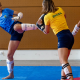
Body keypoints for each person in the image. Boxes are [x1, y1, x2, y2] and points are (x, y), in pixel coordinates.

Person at [36, 0, 74, 80]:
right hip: (69, 35)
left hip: (62, 37)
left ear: (45, 6)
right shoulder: (60, 9)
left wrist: (40, 26)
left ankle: (70, 78)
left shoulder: (47, 16)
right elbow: (64, 17)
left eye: (42, 6)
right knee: (65, 61)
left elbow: (46, 32)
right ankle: (63, 78)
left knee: (63, 61)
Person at [0, 2, 38, 79]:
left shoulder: (6, 10)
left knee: (16, 27)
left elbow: (20, 13)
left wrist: (18, 17)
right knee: (9, 55)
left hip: (17, 26)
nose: (0, 8)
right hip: (14, 34)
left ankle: (38, 26)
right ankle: (11, 74)